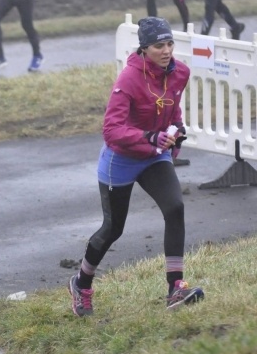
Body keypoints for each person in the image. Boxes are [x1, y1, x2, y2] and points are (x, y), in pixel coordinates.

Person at [68, 17, 205, 317]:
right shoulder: (129, 79)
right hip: (121, 160)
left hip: (154, 156)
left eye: (169, 44)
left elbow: (172, 108)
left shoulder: (180, 72)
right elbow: (111, 130)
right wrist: (149, 136)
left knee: (175, 208)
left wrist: (177, 130)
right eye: (158, 46)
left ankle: (175, 288)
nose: (166, 51)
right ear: (144, 49)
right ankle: (81, 284)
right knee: (113, 229)